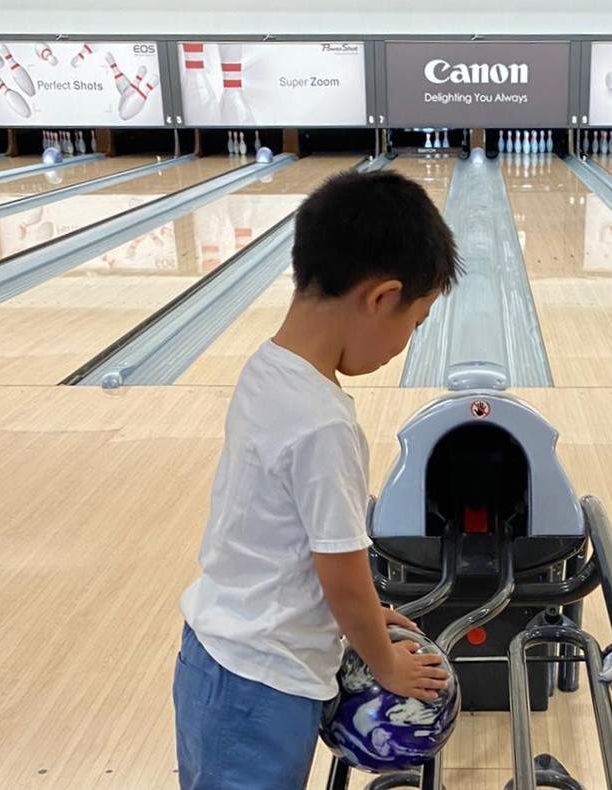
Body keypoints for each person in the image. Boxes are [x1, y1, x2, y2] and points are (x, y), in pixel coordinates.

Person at [173, 170, 461, 789]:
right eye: (416, 322)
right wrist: (385, 662)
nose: (406, 343)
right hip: (264, 683)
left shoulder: (267, 368)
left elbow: (290, 539)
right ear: (381, 298)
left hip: (217, 650)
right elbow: (341, 571)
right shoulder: (324, 424)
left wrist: (371, 615)